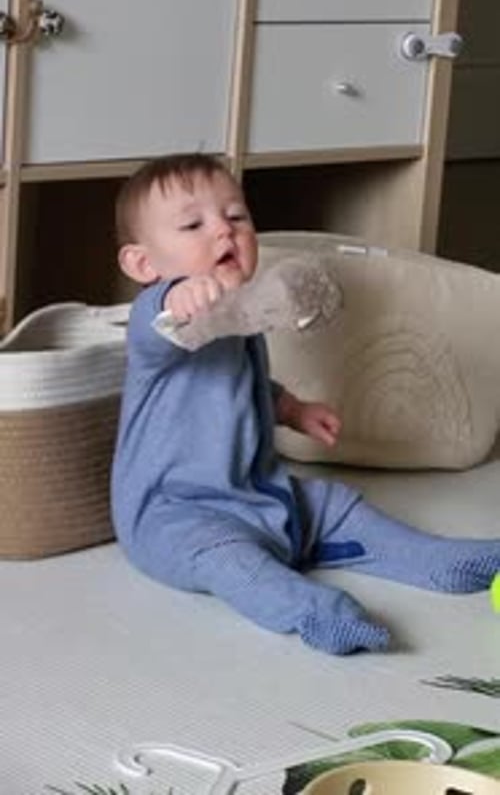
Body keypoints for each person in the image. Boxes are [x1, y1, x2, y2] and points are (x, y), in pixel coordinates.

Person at [112, 152, 500, 656]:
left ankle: (438, 559)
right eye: (192, 224)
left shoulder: (244, 323)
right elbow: (161, 323)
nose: (224, 232)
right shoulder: (157, 323)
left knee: (335, 505)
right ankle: (313, 611)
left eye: (237, 216)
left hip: (256, 492)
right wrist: (176, 294)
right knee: (228, 560)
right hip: (174, 514)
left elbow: (245, 389)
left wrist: (293, 410)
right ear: (143, 263)